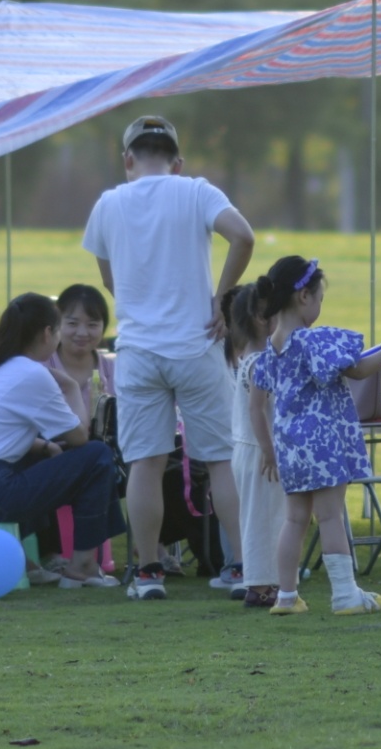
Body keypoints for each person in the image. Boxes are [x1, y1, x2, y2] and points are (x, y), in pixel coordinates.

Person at [81, 114, 256, 602]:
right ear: (177, 162)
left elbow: (109, 278)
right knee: (220, 460)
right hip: (196, 345)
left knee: (145, 463)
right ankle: (240, 567)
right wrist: (221, 300)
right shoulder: (196, 191)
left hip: (138, 351)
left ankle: (149, 572)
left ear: (128, 159)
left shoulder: (109, 204)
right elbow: (243, 237)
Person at [237, 255, 381, 615]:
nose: (318, 306)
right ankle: (345, 594)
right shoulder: (315, 342)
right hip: (324, 443)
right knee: (331, 516)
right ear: (304, 298)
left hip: (289, 447)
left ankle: (286, 596)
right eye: (318, 298)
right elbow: (360, 370)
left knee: (294, 520)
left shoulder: (270, 349)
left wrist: (269, 451)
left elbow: (256, 407)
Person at [0, 290, 130, 591]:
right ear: (48, 332)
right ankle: (82, 565)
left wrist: (46, 446)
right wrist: (73, 388)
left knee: (46, 454)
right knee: (98, 458)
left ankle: (31, 560)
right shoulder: (31, 374)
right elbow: (79, 438)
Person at [217, 280, 287, 611]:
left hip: (249, 449)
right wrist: (270, 450)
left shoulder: (247, 357)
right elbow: (257, 411)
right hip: (260, 451)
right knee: (263, 519)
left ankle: (268, 580)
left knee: (267, 517)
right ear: (263, 318)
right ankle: (260, 584)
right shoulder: (260, 361)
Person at [49, 283, 112, 430]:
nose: (82, 333)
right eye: (72, 323)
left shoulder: (116, 371)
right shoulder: (40, 368)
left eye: (92, 325)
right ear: (57, 324)